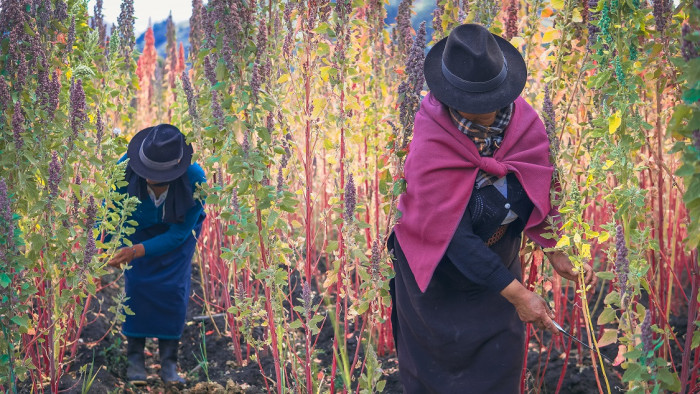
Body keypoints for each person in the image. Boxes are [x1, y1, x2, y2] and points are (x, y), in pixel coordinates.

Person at [388, 24, 596, 393]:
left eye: (495, 98)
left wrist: (556, 246)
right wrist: (518, 294)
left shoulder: (524, 121)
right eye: (478, 104)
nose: (491, 109)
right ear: (452, 97)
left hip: (498, 265)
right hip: (437, 279)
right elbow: (452, 238)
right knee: (437, 377)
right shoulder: (430, 145)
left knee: (499, 368)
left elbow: (540, 180)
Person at [107, 124, 206, 385]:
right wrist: (102, 249)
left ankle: (169, 363)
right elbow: (110, 216)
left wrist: (136, 251)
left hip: (177, 234)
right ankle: (135, 359)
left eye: (158, 177)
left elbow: (178, 234)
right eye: (146, 173)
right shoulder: (124, 170)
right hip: (137, 227)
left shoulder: (196, 179)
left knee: (173, 289)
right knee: (137, 285)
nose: (149, 179)